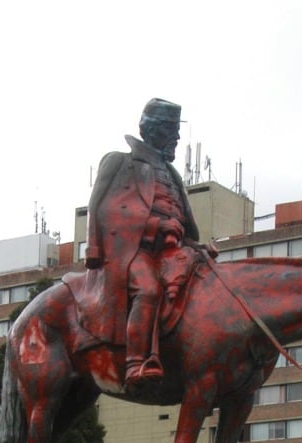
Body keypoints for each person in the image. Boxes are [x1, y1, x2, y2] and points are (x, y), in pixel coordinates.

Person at [85, 97, 215, 387]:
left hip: (172, 250)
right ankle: (135, 362)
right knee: (149, 289)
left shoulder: (173, 174)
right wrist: (156, 226)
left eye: (177, 131)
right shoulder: (120, 162)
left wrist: (197, 246)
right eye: (172, 130)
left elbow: (181, 222)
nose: (177, 138)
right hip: (133, 250)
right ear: (154, 130)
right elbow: (104, 209)